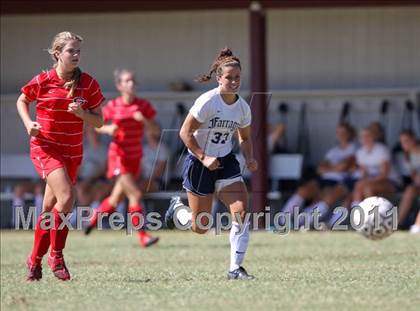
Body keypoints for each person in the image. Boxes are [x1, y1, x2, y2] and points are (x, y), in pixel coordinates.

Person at [17, 31, 105, 281]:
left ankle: (34, 262)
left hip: (73, 151)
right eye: (71, 51)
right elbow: (22, 100)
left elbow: (99, 121)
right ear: (57, 54)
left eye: (78, 51)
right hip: (45, 147)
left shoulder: (88, 83)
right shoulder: (43, 80)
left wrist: (82, 114)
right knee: (66, 197)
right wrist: (28, 123)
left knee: (48, 208)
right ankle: (56, 255)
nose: (76, 55)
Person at [164, 48, 258, 280]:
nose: (234, 81)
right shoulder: (207, 101)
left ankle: (235, 269)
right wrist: (204, 157)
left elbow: (244, 137)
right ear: (219, 78)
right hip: (199, 163)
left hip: (226, 162)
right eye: (229, 77)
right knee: (201, 226)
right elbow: (185, 133)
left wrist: (249, 157)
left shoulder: (243, 108)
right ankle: (177, 210)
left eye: (237, 77)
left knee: (242, 213)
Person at [84, 69, 159, 248]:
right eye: (127, 81)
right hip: (118, 157)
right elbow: (96, 125)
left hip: (135, 158)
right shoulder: (112, 106)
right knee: (136, 194)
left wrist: (145, 121)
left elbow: (155, 131)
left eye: (133, 80)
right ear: (119, 86)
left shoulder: (143, 106)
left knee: (115, 199)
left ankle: (94, 219)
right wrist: (108, 129)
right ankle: (143, 236)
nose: (131, 84)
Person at [281, 123, 357, 228]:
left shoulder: (354, 148)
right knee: (303, 190)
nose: (340, 135)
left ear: (349, 134)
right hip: (324, 179)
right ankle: (282, 220)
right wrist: (335, 167)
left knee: (328, 197)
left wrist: (331, 167)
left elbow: (344, 166)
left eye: (343, 132)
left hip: (342, 180)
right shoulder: (333, 151)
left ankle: (301, 223)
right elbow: (320, 169)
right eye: (338, 132)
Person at [397, 130, 420, 228]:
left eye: (406, 141)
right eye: (402, 142)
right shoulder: (407, 156)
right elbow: (414, 178)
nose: (404, 144)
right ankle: (397, 224)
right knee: (410, 190)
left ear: (413, 139)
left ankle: (417, 226)